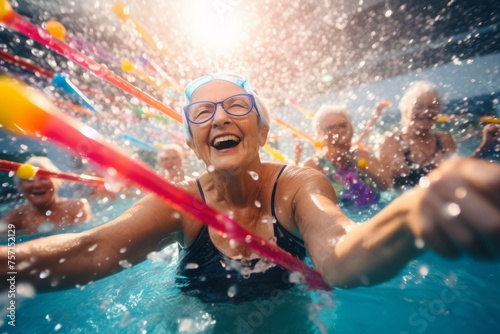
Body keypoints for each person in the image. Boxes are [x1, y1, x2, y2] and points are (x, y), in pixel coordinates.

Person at [0, 74, 499, 304]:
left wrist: (409, 216)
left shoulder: (299, 185)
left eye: (237, 107)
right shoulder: (181, 203)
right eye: (202, 114)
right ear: (195, 145)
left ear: (263, 133)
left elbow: (340, 251)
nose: (219, 117)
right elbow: (95, 246)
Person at [301, 104, 392, 208]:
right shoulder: (314, 165)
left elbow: (387, 186)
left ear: (351, 129)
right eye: (331, 127)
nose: (339, 130)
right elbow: (310, 204)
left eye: (343, 125)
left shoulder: (363, 155)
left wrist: (362, 167)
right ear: (320, 134)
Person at [379, 81, 457, 190]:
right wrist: (395, 167)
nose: (426, 111)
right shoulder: (392, 140)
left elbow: (459, 176)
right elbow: (386, 186)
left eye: (432, 107)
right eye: (418, 107)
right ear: (406, 111)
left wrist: (484, 145)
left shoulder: (444, 139)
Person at [0, 156, 92, 234]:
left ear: (57, 182)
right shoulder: (14, 218)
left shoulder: (77, 208)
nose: (37, 184)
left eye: (43, 178)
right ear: (20, 187)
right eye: (29, 180)